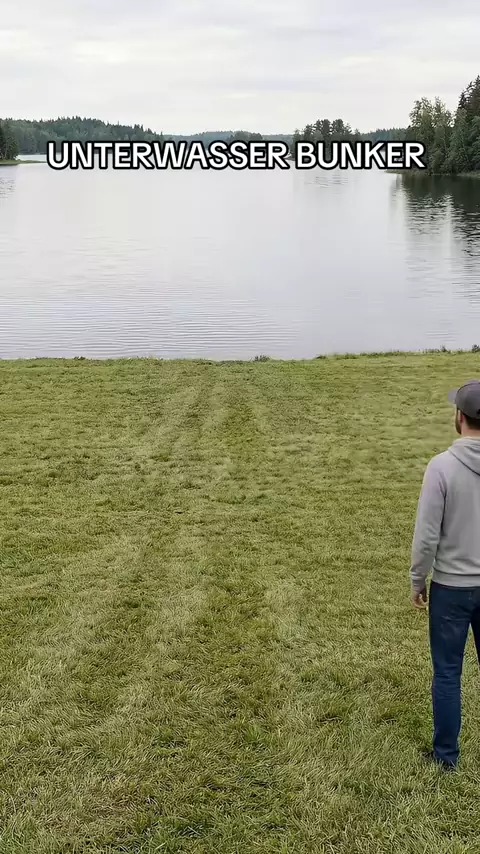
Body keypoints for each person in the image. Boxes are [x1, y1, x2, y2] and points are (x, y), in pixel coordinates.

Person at [410, 379, 480, 770]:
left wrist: (417, 580)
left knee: (449, 673)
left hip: (451, 588)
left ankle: (446, 757)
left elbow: (426, 536)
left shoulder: (441, 467)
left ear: (459, 417)